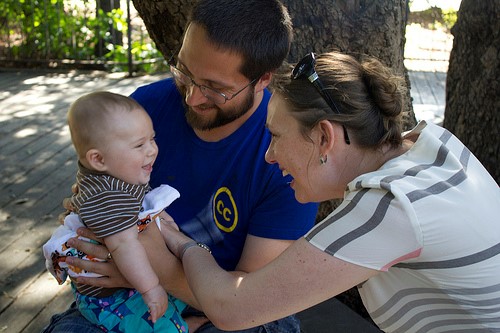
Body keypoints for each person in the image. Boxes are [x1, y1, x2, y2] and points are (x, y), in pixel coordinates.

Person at [162, 51, 500, 332]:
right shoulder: (432, 142)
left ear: (324, 137)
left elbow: (231, 308)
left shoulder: (390, 206)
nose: (269, 155)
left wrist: (182, 245)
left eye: (276, 136)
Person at [42, 1, 319, 332]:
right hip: (127, 284)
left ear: (262, 80)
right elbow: (95, 190)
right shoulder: (144, 109)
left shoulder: (286, 155)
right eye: (185, 72)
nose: (191, 98)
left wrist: (149, 272)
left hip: (232, 304)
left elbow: (248, 299)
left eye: (215, 88)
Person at [43, 91, 188, 332]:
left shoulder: (116, 172)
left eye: (152, 139)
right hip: (109, 298)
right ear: (98, 159)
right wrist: (151, 288)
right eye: (139, 144)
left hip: (127, 281)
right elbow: (124, 246)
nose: (152, 150)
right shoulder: (108, 196)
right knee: (164, 328)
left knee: (173, 302)